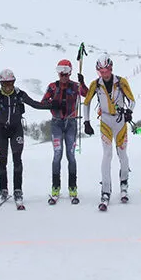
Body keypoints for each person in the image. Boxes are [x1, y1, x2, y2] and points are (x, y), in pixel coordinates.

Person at [0, 69, 50, 208]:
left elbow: (35, 104)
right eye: (5, 83)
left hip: (16, 129)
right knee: (2, 160)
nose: (8, 86)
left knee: (17, 160)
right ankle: (3, 190)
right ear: (1, 83)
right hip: (1, 130)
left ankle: (18, 191)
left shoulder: (19, 94)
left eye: (10, 83)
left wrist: (53, 105)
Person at [82, 54, 135, 209]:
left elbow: (132, 100)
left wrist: (129, 112)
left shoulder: (121, 82)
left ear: (111, 68)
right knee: (107, 154)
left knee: (122, 153)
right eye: (101, 71)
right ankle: (105, 190)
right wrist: (86, 121)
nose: (104, 73)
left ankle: (124, 185)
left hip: (119, 121)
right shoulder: (95, 84)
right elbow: (86, 103)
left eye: (107, 70)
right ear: (98, 71)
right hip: (105, 121)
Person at [40, 59, 88, 201]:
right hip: (56, 123)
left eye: (66, 72)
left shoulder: (75, 86)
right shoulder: (53, 87)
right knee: (57, 154)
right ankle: (56, 186)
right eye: (61, 72)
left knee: (71, 155)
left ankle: (72, 187)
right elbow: (43, 103)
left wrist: (82, 82)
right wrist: (52, 103)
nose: (63, 75)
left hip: (71, 123)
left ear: (70, 72)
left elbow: (87, 94)